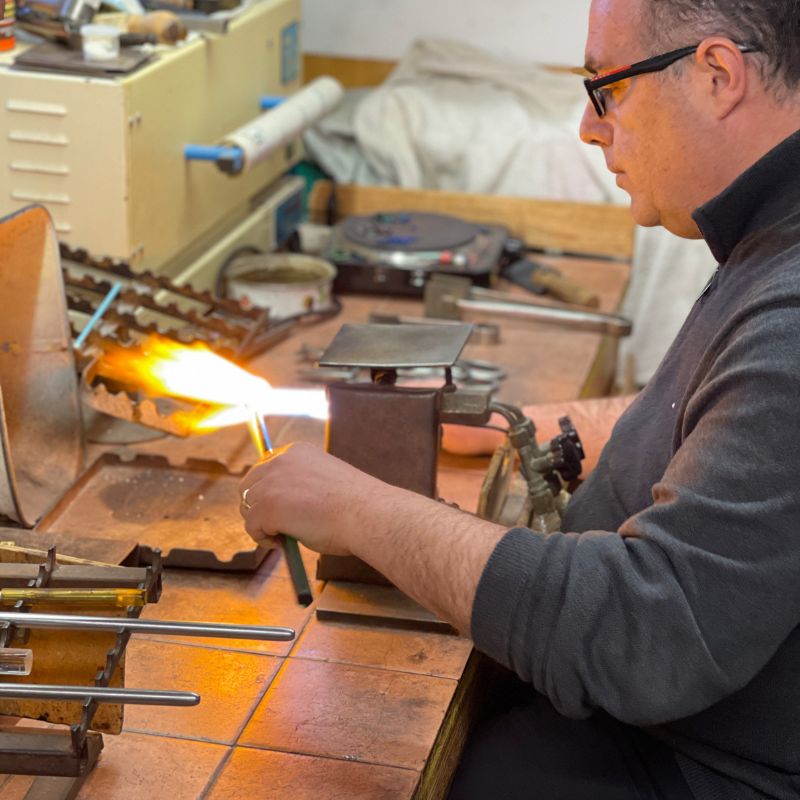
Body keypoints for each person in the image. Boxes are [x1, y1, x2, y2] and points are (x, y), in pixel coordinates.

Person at [239, 0, 800, 796]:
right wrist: (544, 426)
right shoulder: (773, 230)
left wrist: (357, 510)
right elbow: (717, 410)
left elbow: (645, 635)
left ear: (717, 75)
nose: (588, 125)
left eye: (607, 88)